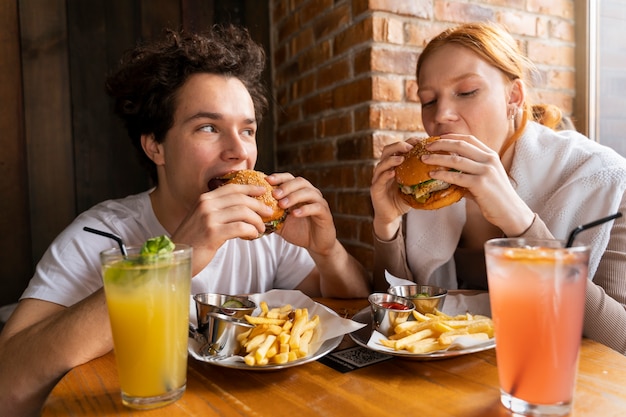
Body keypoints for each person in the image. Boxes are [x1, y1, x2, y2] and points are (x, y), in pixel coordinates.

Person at [0, 25, 371, 416]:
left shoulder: (264, 230)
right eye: (209, 127)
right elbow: (8, 383)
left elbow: (350, 306)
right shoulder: (99, 235)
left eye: (247, 130)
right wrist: (177, 257)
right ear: (155, 146)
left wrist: (326, 250)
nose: (239, 152)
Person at [370, 22, 626, 354]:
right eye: (428, 101)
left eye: (466, 92)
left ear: (513, 97)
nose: (442, 115)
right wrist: (386, 226)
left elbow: (619, 340)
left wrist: (520, 222)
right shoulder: (427, 188)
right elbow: (398, 321)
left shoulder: (603, 178)